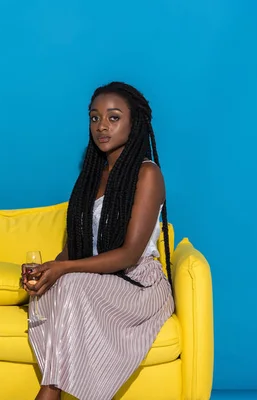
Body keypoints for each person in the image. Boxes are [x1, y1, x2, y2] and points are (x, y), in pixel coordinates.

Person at [22, 81, 175, 400]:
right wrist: (47, 270)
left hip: (136, 285)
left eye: (114, 117)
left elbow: (130, 254)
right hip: (95, 280)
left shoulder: (147, 174)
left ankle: (49, 392)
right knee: (55, 289)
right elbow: (78, 245)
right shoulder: (91, 176)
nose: (102, 126)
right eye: (94, 118)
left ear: (135, 123)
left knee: (72, 283)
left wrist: (65, 270)